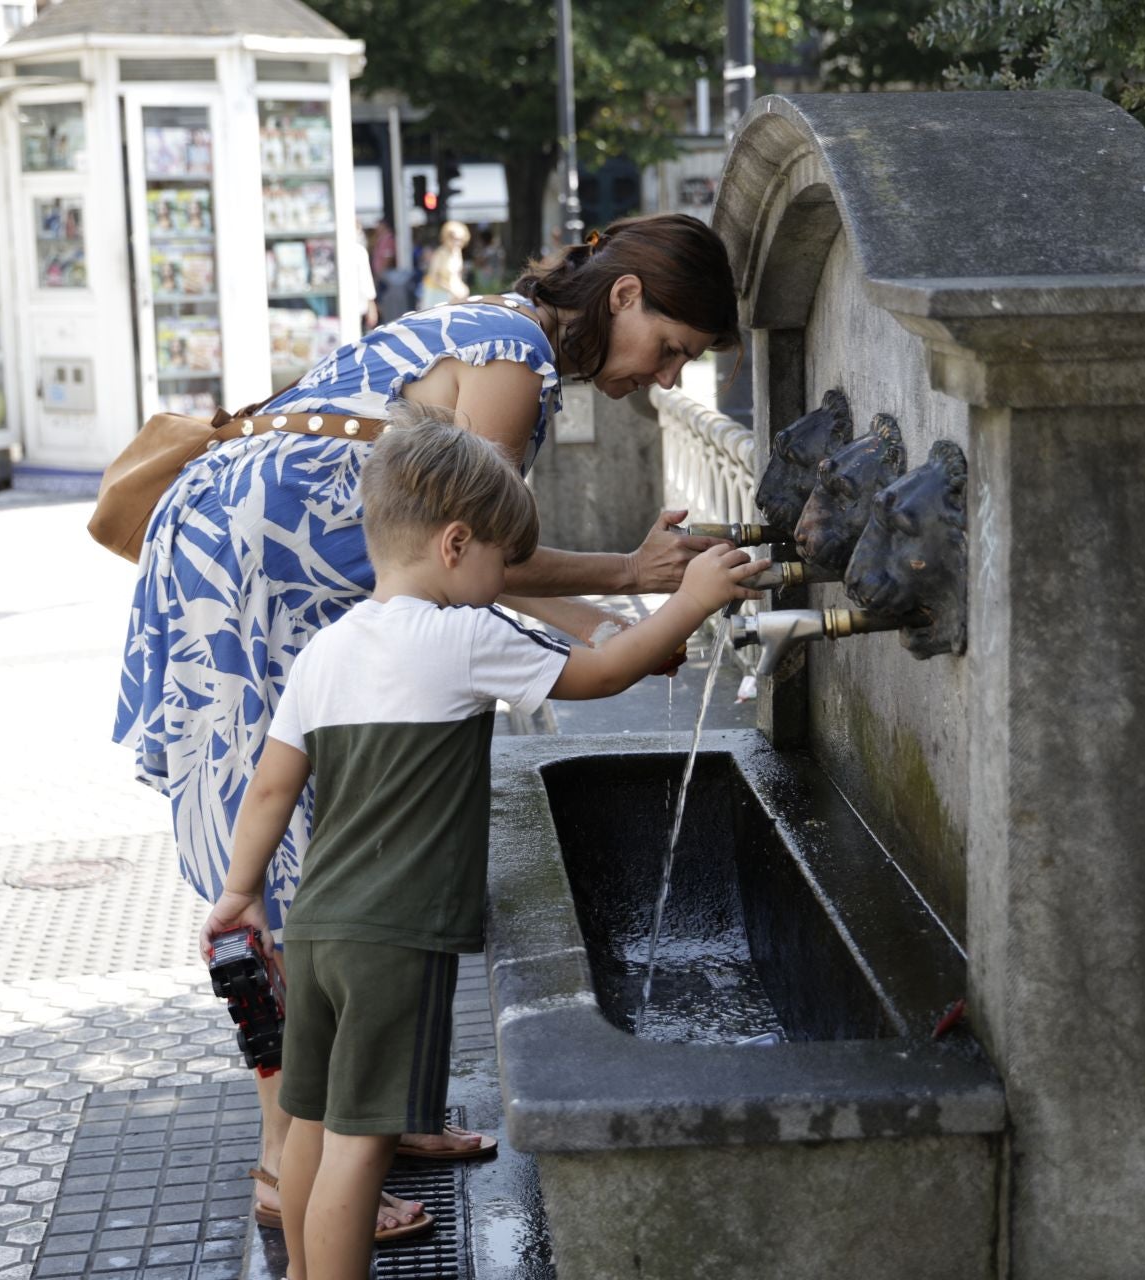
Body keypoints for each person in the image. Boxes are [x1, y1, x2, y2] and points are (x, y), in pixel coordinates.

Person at [112, 212, 741, 1235]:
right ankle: (290, 1163)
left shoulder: (508, 331)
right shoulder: (516, 358)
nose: (667, 377)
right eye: (670, 348)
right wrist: (628, 586)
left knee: (315, 845)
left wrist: (620, 605)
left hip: (281, 568)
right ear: (625, 297)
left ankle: (366, 1118)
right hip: (244, 573)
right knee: (287, 868)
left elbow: (470, 565)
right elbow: (475, 551)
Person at [198, 412, 766, 1278]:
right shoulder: (464, 636)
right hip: (399, 935)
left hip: (314, 926)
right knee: (363, 1143)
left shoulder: (325, 652)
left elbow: (271, 788)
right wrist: (688, 603)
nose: (506, 579)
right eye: (502, 561)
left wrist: (239, 894)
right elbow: (601, 673)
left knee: (310, 1126)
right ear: (456, 544)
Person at [417, 218, 471, 308]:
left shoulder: (457, 252)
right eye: (454, 239)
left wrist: (462, 288)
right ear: (446, 237)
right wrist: (452, 290)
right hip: (436, 295)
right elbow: (434, 277)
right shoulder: (440, 253)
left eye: (460, 239)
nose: (457, 242)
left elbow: (456, 275)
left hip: (450, 295)